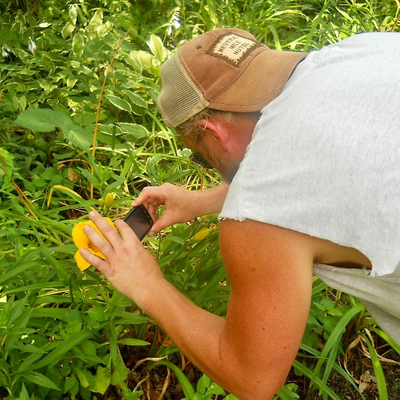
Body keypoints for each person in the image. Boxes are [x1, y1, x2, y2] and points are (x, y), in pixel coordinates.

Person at [79, 28, 400, 399]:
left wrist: (145, 283)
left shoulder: (257, 218)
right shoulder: (361, 50)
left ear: (214, 132)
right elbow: (342, 159)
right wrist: (206, 200)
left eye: (199, 155)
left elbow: (252, 379)